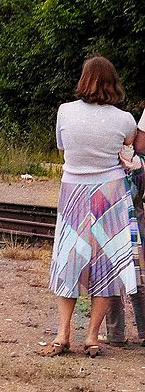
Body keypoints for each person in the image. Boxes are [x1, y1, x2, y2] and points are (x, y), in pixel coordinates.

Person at [42, 56, 142, 357]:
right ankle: (93, 336)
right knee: (107, 262)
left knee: (69, 259)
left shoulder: (65, 112)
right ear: (113, 82)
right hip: (110, 195)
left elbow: (62, 147)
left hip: (73, 191)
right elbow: (126, 149)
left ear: (84, 80)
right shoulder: (125, 119)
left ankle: (62, 332)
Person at [105, 141, 145, 346]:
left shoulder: (105, 159)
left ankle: (116, 334)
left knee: (112, 276)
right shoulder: (140, 164)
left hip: (111, 223)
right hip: (137, 224)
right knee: (140, 276)